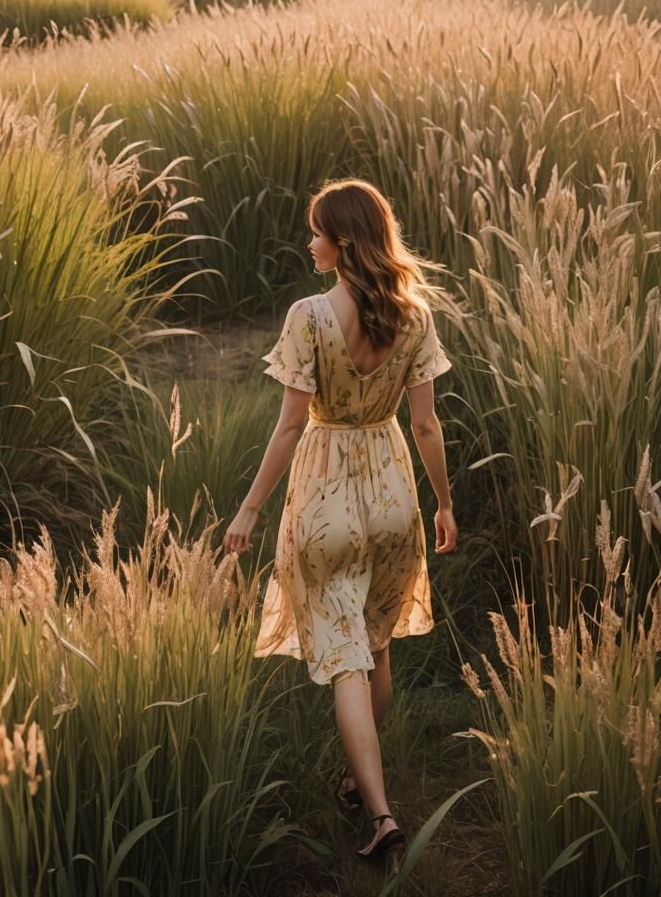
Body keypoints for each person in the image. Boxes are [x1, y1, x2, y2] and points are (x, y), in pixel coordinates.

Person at [223, 178, 458, 862]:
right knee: (375, 642)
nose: (310, 241)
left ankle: (381, 816)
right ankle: (359, 783)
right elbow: (426, 423)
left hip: (326, 494)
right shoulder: (414, 315)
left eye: (318, 232)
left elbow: (291, 428)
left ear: (345, 241)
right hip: (390, 492)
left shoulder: (310, 315)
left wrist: (249, 508)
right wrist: (442, 502)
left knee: (346, 656)